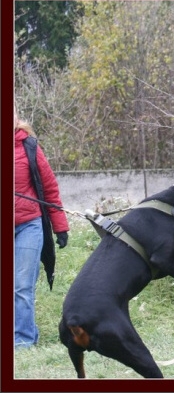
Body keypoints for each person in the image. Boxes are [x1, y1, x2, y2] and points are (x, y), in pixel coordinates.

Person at [14, 108, 70, 349]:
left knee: (22, 286)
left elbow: (49, 189)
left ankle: (23, 342)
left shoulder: (29, 146)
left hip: (29, 224)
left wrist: (60, 227)